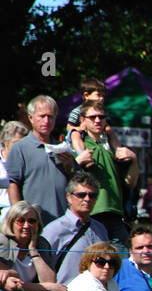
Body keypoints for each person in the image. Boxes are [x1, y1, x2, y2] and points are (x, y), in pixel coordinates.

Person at [72, 100, 137, 248]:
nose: (97, 120)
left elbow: (130, 183)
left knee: (123, 263)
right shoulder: (78, 143)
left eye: (101, 117)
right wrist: (78, 159)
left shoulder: (113, 146)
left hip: (116, 214)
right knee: (95, 261)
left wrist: (134, 160)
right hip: (91, 213)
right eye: (93, 117)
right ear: (83, 120)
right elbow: (68, 176)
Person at [6, 95, 74, 224]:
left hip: (63, 221)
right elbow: (12, 183)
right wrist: (19, 217)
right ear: (31, 118)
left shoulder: (62, 148)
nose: (46, 121)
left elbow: (75, 186)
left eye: (50, 116)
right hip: (33, 223)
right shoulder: (20, 148)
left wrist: (69, 168)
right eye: (42, 116)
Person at [37, 172, 111, 285]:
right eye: (81, 195)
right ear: (69, 197)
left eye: (92, 195)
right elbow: (41, 267)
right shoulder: (54, 230)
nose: (87, 199)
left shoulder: (100, 229)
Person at [1, 201, 66, 291]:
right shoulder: (3, 242)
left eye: (32, 221)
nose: (26, 225)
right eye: (21, 221)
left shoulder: (42, 243)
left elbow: (49, 280)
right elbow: (14, 285)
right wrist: (49, 287)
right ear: (11, 223)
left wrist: (33, 249)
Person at [1, 119, 31, 213]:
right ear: (5, 142)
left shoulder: (26, 161)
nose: (21, 148)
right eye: (16, 143)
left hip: (21, 209)